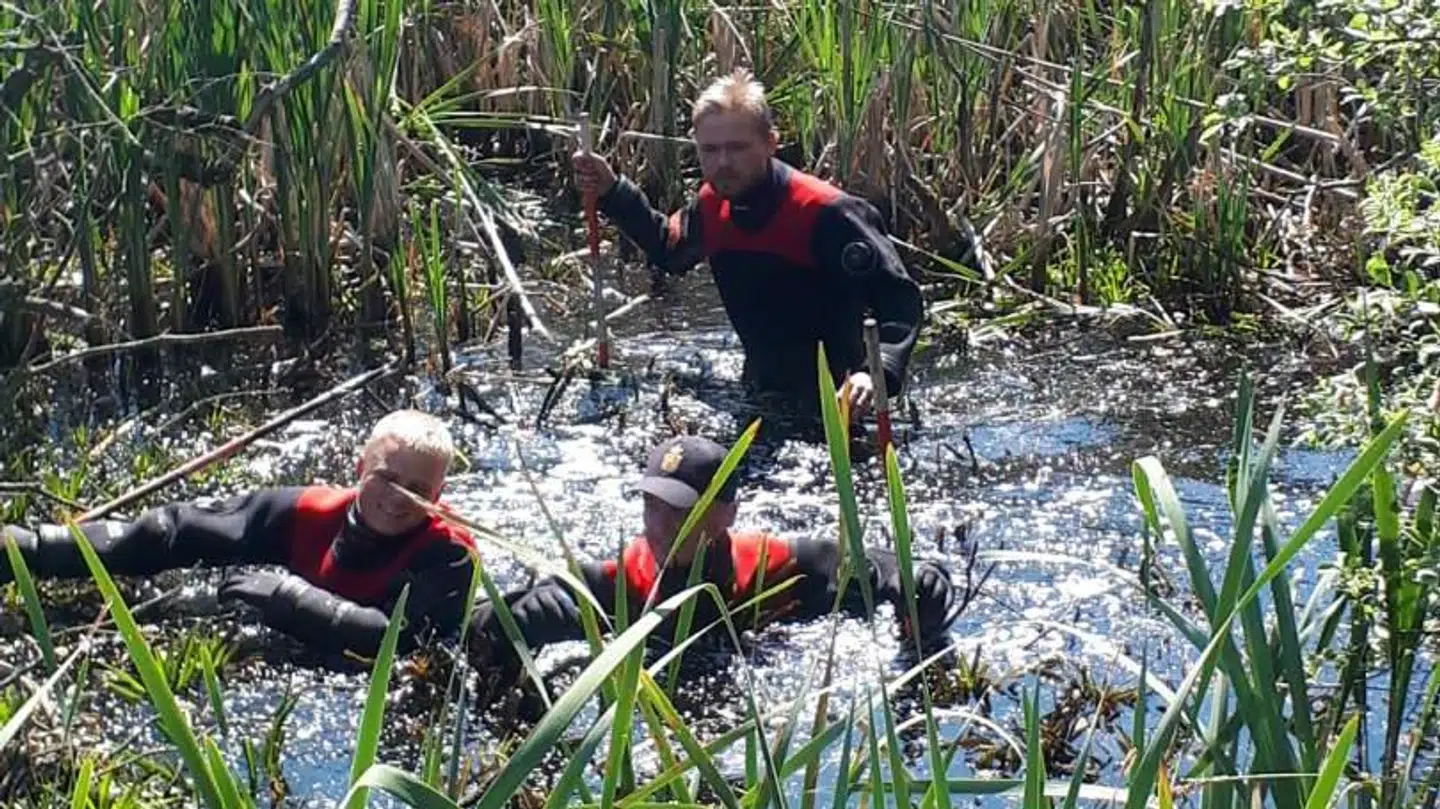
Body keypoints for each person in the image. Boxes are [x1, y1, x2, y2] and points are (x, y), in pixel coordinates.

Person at [573, 69, 923, 416]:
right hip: (759, 391)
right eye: (710, 150)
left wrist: (874, 372)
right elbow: (670, 250)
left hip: (841, 401)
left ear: (771, 142)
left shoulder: (827, 212)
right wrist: (613, 190)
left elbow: (899, 301)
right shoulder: (712, 205)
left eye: (737, 148)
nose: (723, 163)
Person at [467, 435, 960, 678]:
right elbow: (476, 626)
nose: (659, 526)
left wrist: (923, 580)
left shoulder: (780, 566)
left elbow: (880, 566)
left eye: (680, 511)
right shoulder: (610, 584)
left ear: (726, 513)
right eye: (650, 506)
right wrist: (512, 620)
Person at [0, 410, 477, 658]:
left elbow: (391, 640)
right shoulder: (311, 511)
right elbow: (174, 533)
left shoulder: (450, 556)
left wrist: (287, 597)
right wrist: (35, 548)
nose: (398, 498)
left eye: (418, 490)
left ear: (439, 493)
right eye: (387, 478)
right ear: (359, 469)